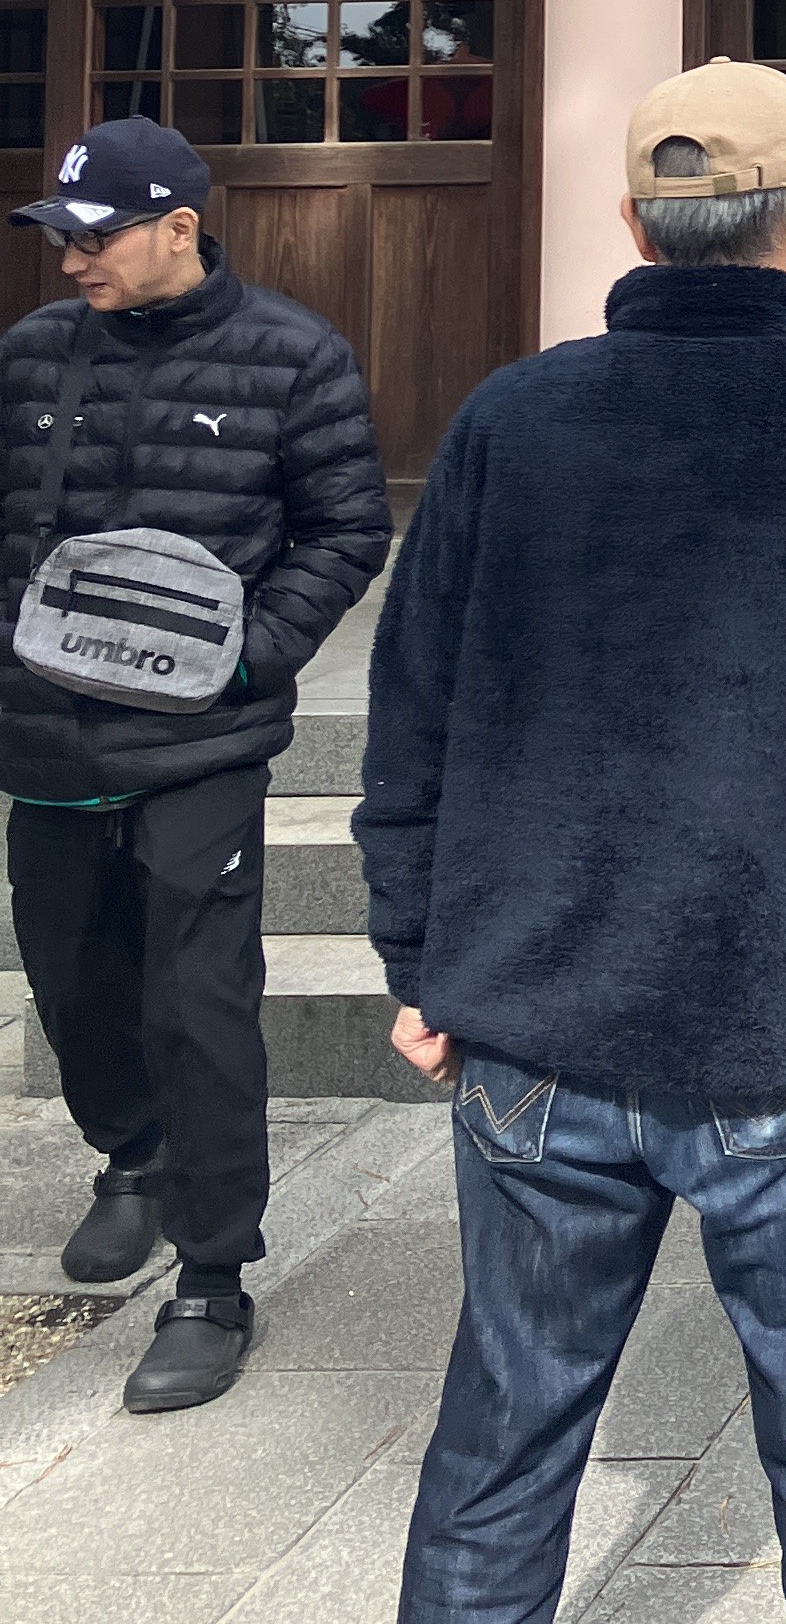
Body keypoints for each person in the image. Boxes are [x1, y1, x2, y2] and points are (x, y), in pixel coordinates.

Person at [361, 60, 786, 1624]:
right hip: (777, 997)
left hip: (529, 1002)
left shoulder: (512, 416)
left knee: (504, 1436)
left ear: (635, 223)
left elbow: (411, 707)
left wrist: (413, 958)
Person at [1, 115, 387, 1415]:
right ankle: (132, 1152)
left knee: (200, 1002)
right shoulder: (32, 360)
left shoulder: (292, 357)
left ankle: (213, 1275)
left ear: (181, 225)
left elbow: (347, 525)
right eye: (61, 240)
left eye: (95, 239)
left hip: (200, 747)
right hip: (44, 735)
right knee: (70, 979)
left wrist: (254, 654)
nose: (73, 266)